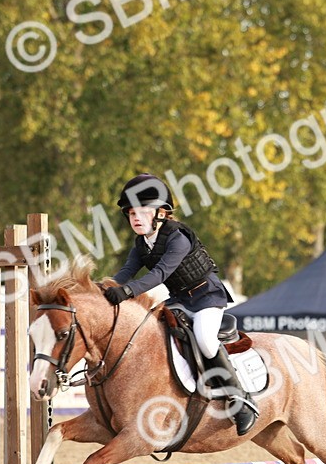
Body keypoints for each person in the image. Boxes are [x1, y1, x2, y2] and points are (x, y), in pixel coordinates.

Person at [104, 173, 259, 436]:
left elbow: (160, 274)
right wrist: (104, 289)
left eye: (143, 212)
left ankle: (240, 400)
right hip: (179, 298)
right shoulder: (141, 244)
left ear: (161, 214)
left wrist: (128, 291)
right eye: (131, 214)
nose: (136, 219)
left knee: (206, 339)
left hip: (206, 296)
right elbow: (126, 271)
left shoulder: (178, 237)